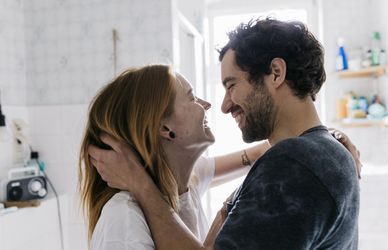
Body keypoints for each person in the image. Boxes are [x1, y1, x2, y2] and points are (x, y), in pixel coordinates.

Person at [90, 18, 361, 250]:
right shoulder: (313, 155)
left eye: (231, 85)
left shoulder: (295, 162)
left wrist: (142, 186)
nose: (223, 105)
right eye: (192, 98)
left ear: (276, 73)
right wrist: (329, 136)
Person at [79, 64, 271, 249]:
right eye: (192, 97)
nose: (208, 105)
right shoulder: (123, 218)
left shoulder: (187, 185)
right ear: (164, 128)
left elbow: (256, 154)